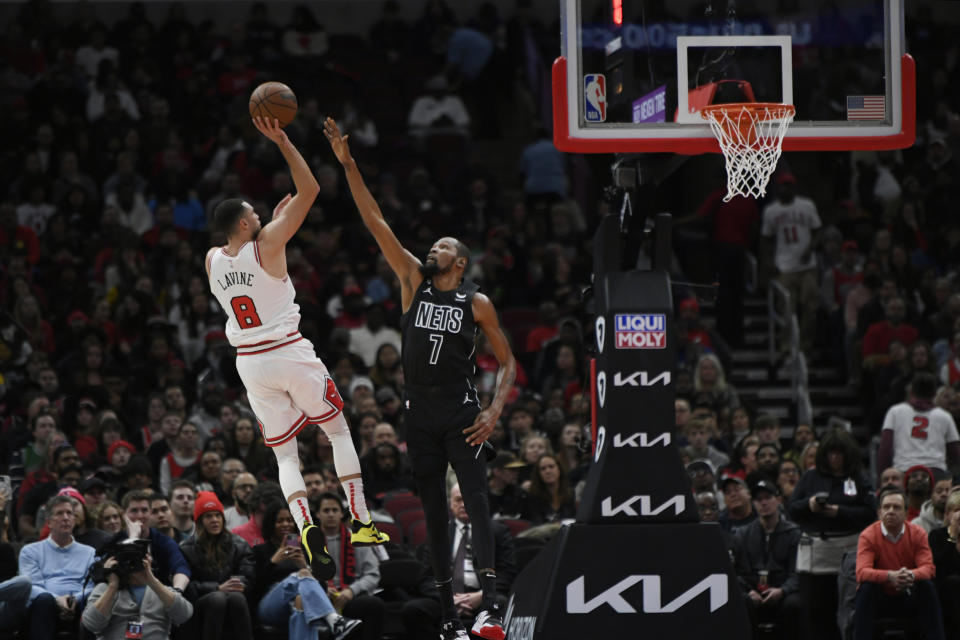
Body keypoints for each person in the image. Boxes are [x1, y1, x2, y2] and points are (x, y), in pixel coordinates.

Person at [327, 116, 517, 640]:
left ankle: (490, 611)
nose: (431, 249)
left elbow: (509, 361)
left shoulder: (475, 301)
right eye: (431, 245)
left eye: (441, 246)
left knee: (476, 500)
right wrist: (349, 165)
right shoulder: (413, 281)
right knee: (435, 512)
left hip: (460, 408)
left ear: (459, 260)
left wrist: (494, 410)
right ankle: (450, 618)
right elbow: (375, 221)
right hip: (420, 410)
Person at [206, 115, 386, 580]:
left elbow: (259, 234)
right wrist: (283, 140)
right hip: (288, 351)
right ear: (246, 221)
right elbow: (311, 191)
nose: (261, 215)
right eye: (255, 212)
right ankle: (362, 521)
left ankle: (304, 524)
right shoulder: (266, 242)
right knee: (339, 431)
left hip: (250, 364)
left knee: (286, 455)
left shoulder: (211, 259)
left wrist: (275, 222)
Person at [787, 429, 876, 640]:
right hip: (815, 550)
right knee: (815, 610)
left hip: (847, 549)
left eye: (839, 453)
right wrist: (810, 506)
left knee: (846, 607)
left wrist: (839, 512)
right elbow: (792, 508)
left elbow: (870, 512)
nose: (835, 458)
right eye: (831, 453)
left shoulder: (858, 479)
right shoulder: (810, 477)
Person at [252, 501, 361, 640]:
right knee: (299, 577)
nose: (286, 524)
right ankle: (333, 618)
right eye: (280, 521)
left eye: (289, 520)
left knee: (301, 601)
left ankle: (333, 620)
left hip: (297, 602)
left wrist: (304, 565)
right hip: (269, 607)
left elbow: (320, 586)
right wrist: (273, 562)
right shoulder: (259, 551)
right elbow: (255, 587)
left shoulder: (304, 550)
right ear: (271, 524)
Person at [853, 487, 944, 640]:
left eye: (896, 507)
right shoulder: (868, 535)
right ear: (879, 512)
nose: (890, 511)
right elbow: (861, 572)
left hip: (908, 593)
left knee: (927, 586)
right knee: (865, 588)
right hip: (880, 597)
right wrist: (889, 576)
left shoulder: (917, 533)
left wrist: (911, 575)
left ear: (906, 513)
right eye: (886, 507)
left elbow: (929, 568)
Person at [9, 495, 96, 638]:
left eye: (69, 513)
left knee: (93, 599)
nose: (66, 517)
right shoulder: (30, 551)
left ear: (74, 520)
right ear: (48, 522)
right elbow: (33, 586)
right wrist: (57, 599)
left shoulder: (89, 552)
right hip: (44, 605)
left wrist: (74, 599)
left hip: (79, 605)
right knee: (44, 599)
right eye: (60, 513)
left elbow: (91, 585)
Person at [178, 491, 255, 640]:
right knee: (217, 598)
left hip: (234, 598)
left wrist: (236, 583)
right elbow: (187, 587)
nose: (214, 520)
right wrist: (217, 588)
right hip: (200, 606)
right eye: (208, 516)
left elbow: (249, 575)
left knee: (236, 598)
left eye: (217, 515)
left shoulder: (239, 544)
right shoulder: (185, 548)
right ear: (199, 520)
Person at [734, 479, 803, 640]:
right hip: (753, 591)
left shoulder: (794, 534)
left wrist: (782, 590)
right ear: (753, 503)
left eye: (768, 497)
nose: (763, 503)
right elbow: (737, 572)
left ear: (778, 500)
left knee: (794, 604)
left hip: (783, 591)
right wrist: (749, 591)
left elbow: (798, 572)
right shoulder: (743, 534)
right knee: (742, 600)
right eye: (758, 499)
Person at [81, 546, 193, 640]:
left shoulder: (162, 590)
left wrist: (152, 582)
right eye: (127, 560)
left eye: (137, 559)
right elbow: (91, 623)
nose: (132, 565)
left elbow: (184, 615)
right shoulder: (104, 589)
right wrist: (112, 586)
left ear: (148, 561)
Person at [317, 492, 385, 640]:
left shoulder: (357, 539)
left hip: (349, 597)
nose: (331, 515)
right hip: (320, 598)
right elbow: (302, 573)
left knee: (375, 605)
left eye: (335, 510)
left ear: (341, 514)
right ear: (318, 514)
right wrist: (321, 589)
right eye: (326, 511)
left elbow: (372, 574)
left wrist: (351, 592)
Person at [878, 372, 960, 472]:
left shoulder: (895, 411)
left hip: (904, 470)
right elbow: (955, 453)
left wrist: (881, 478)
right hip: (936, 471)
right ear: (935, 394)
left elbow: (885, 449)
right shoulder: (944, 416)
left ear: (911, 391)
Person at [121, 491, 191, 591]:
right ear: (124, 515)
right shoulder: (116, 540)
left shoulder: (163, 541)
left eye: (144, 510)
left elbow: (181, 567)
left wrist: (177, 591)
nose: (140, 516)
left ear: (149, 513)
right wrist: (133, 538)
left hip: (157, 594)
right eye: (134, 511)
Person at [928, 490, 960, 637]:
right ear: (947, 514)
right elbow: (939, 568)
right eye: (957, 510)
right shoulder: (937, 536)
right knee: (953, 582)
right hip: (946, 592)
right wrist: (952, 537)